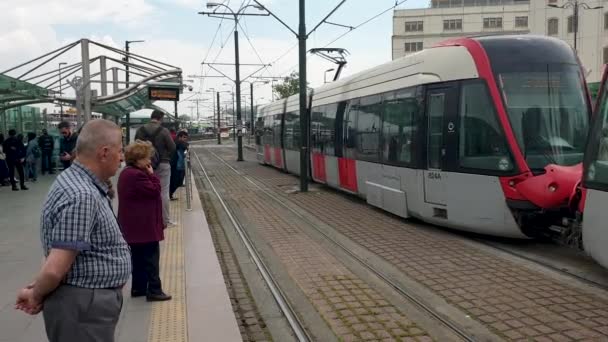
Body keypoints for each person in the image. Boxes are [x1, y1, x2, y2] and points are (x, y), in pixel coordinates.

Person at [15, 119, 131, 342]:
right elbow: (54, 268)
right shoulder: (82, 195)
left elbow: (53, 247)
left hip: (84, 305)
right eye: (120, 150)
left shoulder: (72, 180)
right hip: (83, 308)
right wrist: (35, 294)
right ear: (104, 153)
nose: (122, 156)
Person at [118, 140, 172, 302]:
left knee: (138, 257)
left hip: (134, 225)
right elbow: (155, 190)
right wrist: (152, 175)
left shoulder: (127, 173)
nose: (149, 162)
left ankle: (138, 287)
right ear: (137, 159)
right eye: (146, 158)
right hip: (143, 226)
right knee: (151, 258)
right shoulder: (137, 175)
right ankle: (154, 290)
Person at [135, 110, 176, 227]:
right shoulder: (163, 131)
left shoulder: (141, 130)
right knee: (163, 192)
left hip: (143, 165)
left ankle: (148, 220)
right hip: (163, 164)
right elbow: (172, 147)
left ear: (151, 117)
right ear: (160, 118)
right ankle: (164, 221)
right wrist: (166, 157)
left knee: (145, 191)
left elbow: (135, 146)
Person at [170, 131, 189, 200]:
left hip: (177, 164)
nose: (185, 139)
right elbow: (185, 146)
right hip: (175, 164)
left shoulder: (178, 142)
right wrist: (186, 145)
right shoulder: (177, 142)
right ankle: (170, 194)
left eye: (186, 138)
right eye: (184, 137)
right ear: (179, 137)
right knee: (175, 180)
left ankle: (170, 194)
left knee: (176, 180)